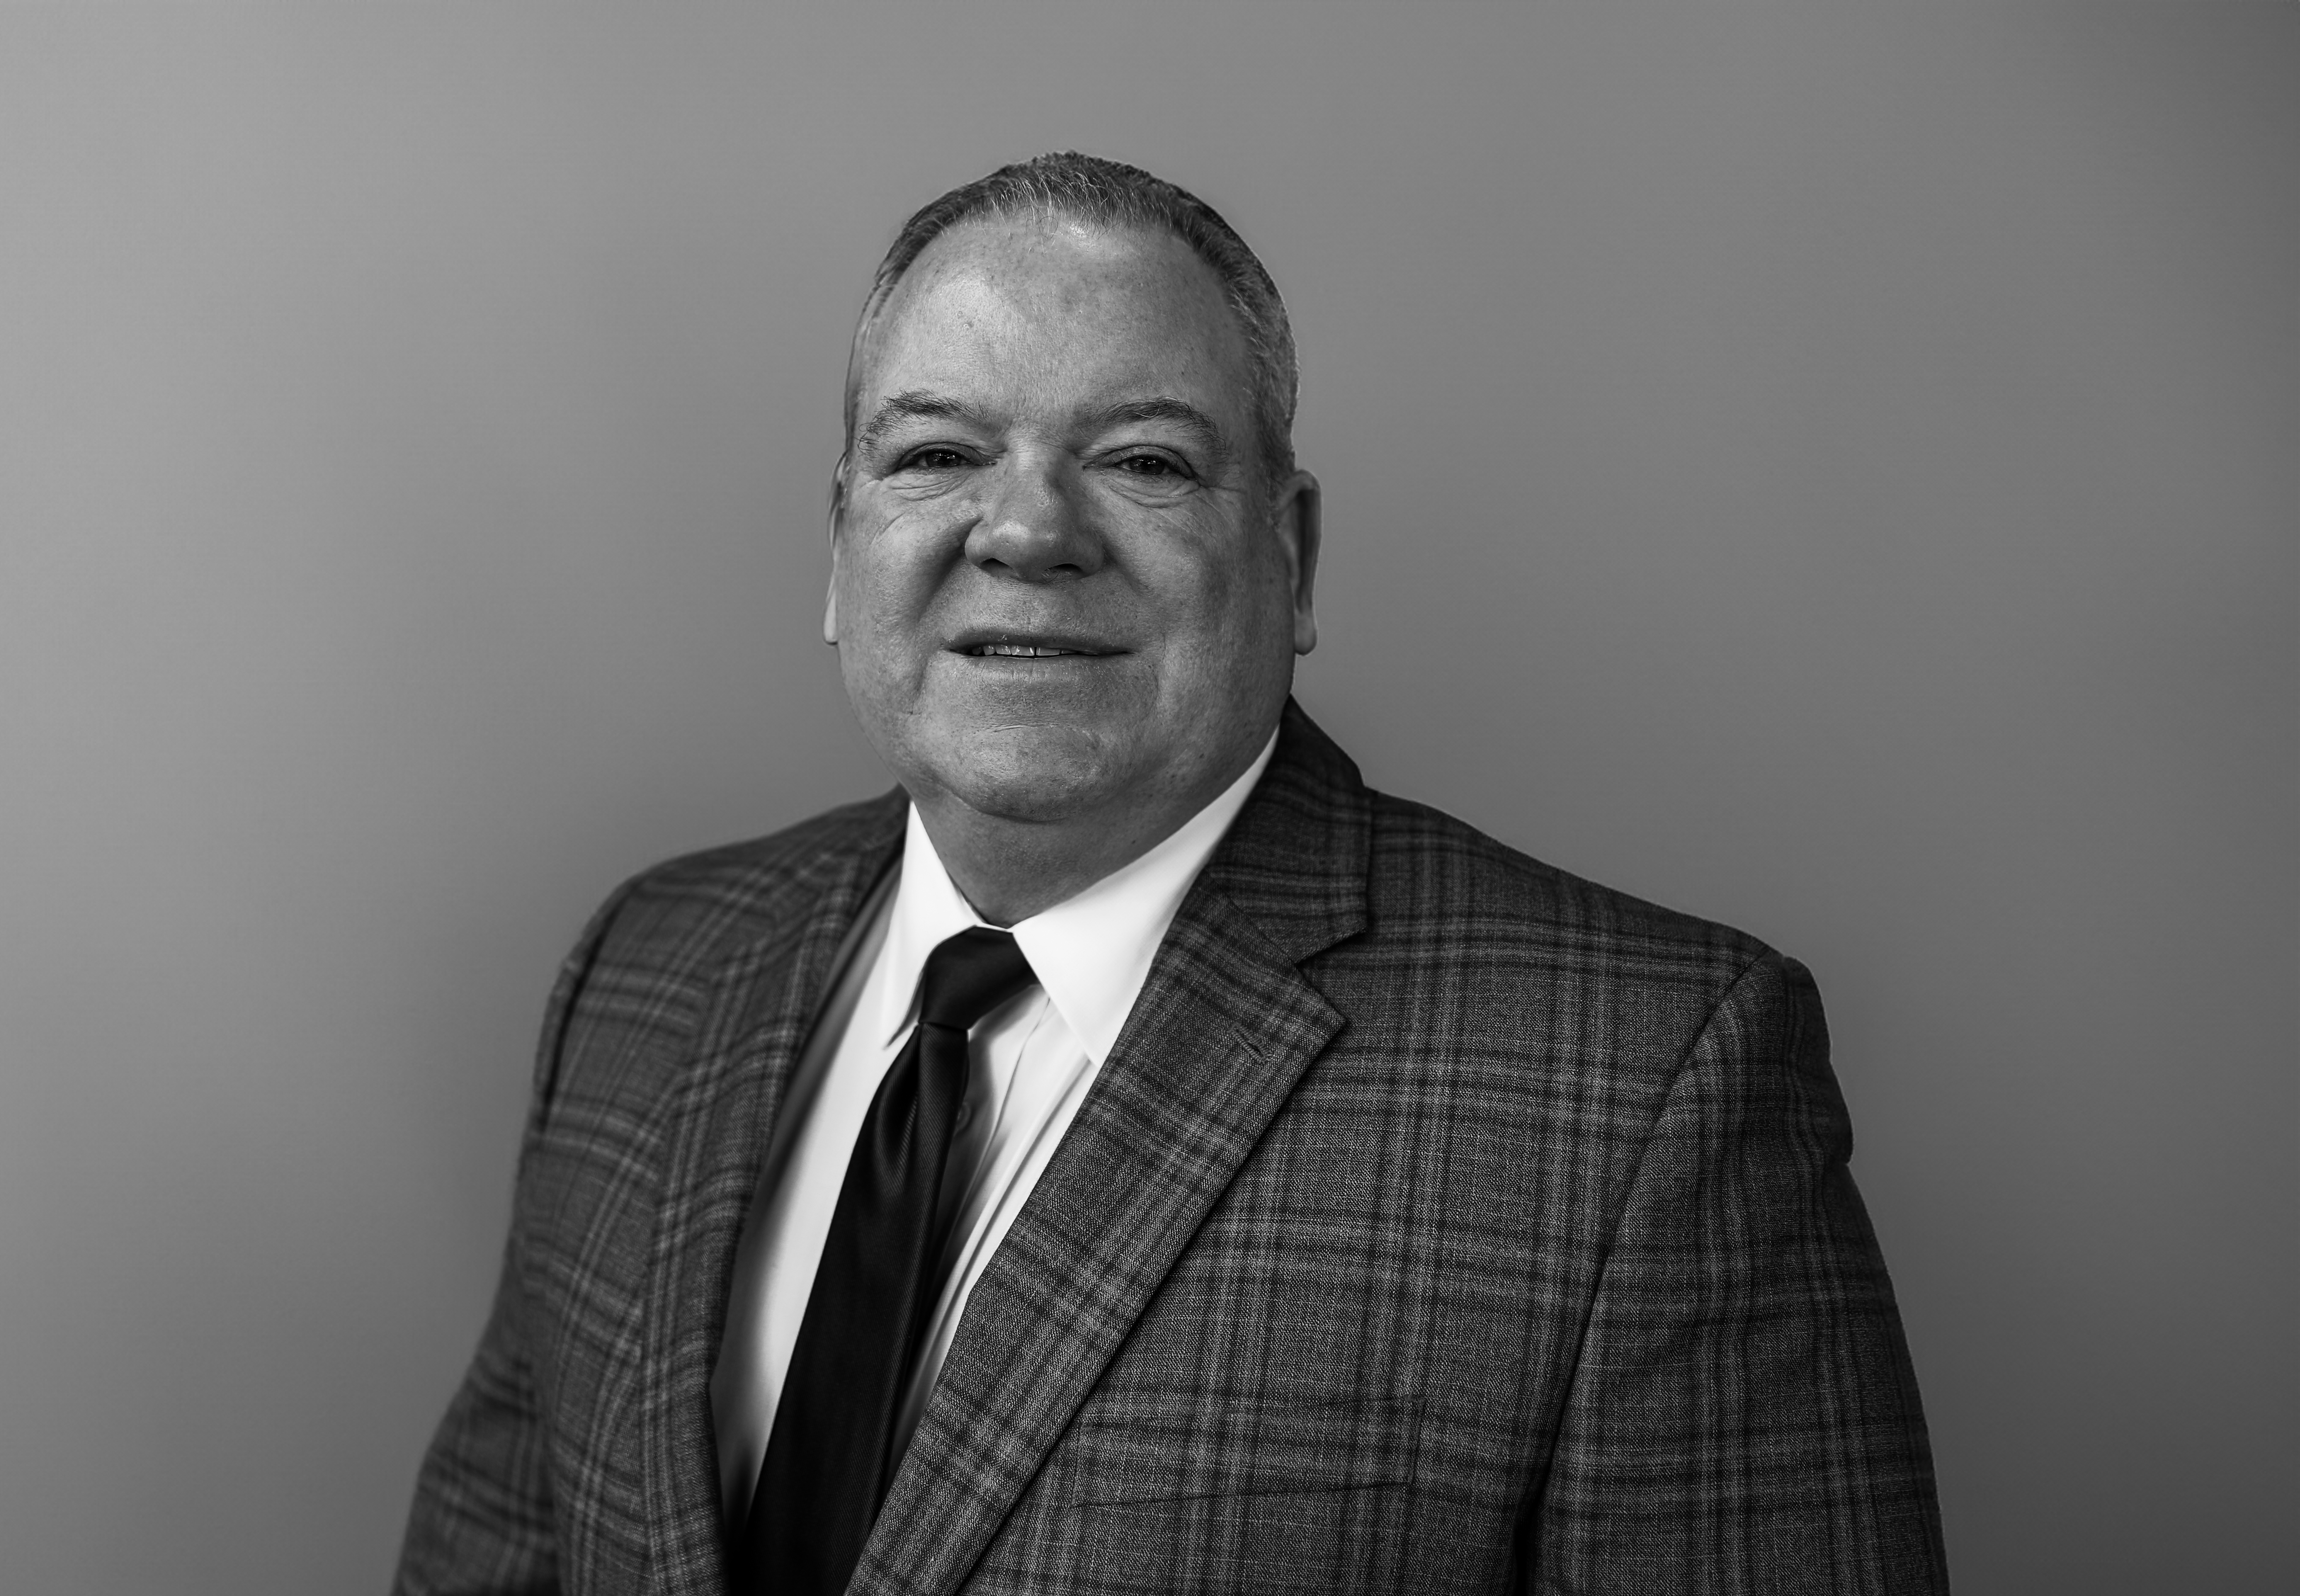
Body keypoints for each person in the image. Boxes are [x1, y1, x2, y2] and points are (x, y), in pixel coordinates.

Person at [395, 152, 1945, 1596]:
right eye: (936, 452)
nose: (1025, 530)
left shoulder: (1643, 1093)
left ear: (1294, 558)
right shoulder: (649, 971)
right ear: (840, 544)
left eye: (1141, 459)